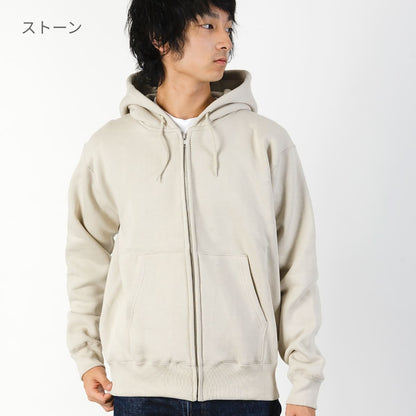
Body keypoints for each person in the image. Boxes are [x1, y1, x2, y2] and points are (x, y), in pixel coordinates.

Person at [65, 1, 326, 415]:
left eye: (228, 28)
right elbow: (87, 255)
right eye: (208, 26)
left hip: (244, 394)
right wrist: (87, 355)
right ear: (159, 38)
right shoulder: (110, 146)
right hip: (141, 390)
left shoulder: (266, 142)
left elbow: (297, 263)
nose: (225, 42)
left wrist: (304, 385)